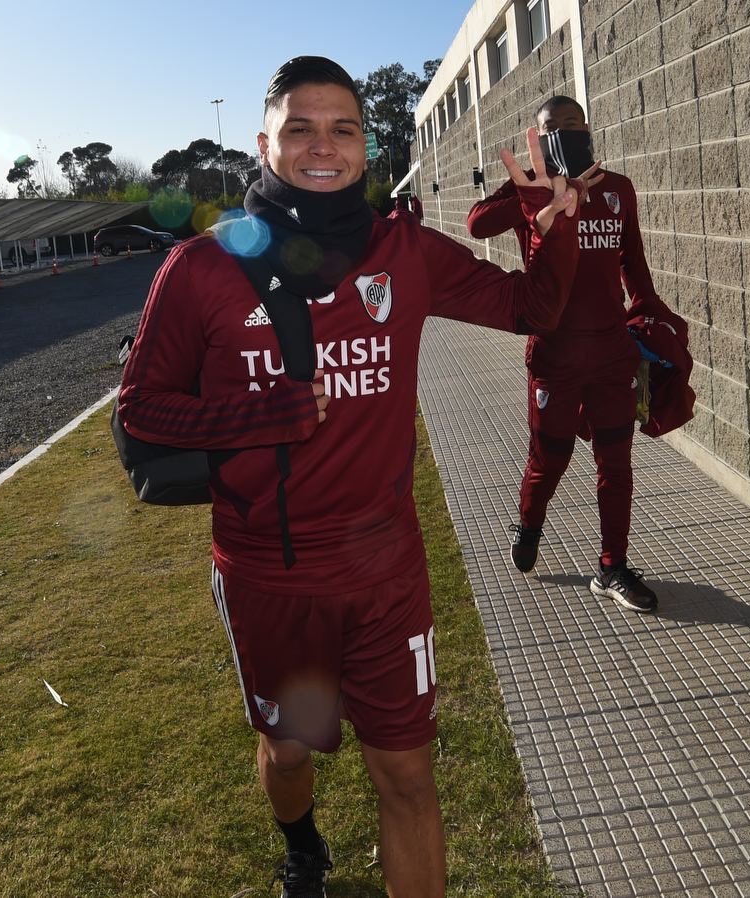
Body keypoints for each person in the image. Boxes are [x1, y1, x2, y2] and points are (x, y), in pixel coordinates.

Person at [116, 56, 579, 898]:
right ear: (266, 142)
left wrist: (549, 224)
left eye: (343, 129)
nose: (322, 146)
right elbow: (142, 410)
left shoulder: (403, 252)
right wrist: (255, 418)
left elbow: (532, 310)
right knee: (290, 756)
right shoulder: (201, 270)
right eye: (300, 128)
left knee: (408, 779)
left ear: (366, 147)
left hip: (385, 573)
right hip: (268, 576)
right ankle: (302, 845)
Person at [467, 95, 682, 614]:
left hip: (612, 355)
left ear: (588, 128)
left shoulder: (618, 190)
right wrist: (534, 196)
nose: (562, 131)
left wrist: (655, 320)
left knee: (616, 462)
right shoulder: (532, 188)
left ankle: (612, 567)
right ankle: (530, 522)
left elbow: (634, 265)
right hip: (555, 356)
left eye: (571, 123)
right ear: (537, 138)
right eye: (550, 128)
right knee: (550, 458)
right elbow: (476, 224)